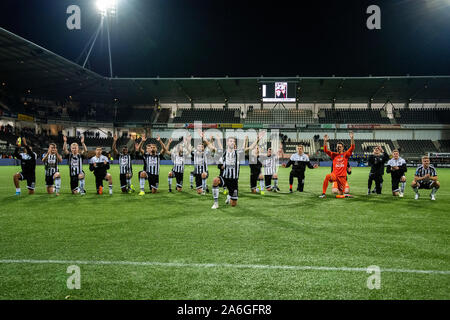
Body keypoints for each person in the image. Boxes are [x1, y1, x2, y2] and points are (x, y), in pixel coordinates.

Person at [211, 136, 247, 209]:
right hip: (224, 177)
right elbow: (213, 149)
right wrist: (208, 139)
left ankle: (229, 196)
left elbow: (246, 148)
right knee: (215, 180)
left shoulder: (238, 153)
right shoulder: (223, 152)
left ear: (234, 144)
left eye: (233, 141)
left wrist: (256, 139)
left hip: (234, 180)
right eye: (230, 141)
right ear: (227, 143)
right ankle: (216, 203)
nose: (232, 142)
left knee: (233, 204)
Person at [319, 132, 355, 198]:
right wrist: (325, 141)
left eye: (340, 147)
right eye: (338, 147)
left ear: (343, 148)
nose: (339, 148)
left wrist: (352, 138)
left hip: (342, 177)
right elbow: (325, 150)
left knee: (340, 194)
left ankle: (344, 195)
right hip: (335, 175)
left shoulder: (346, 154)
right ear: (336, 147)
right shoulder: (333, 155)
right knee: (327, 176)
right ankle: (323, 194)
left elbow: (352, 147)